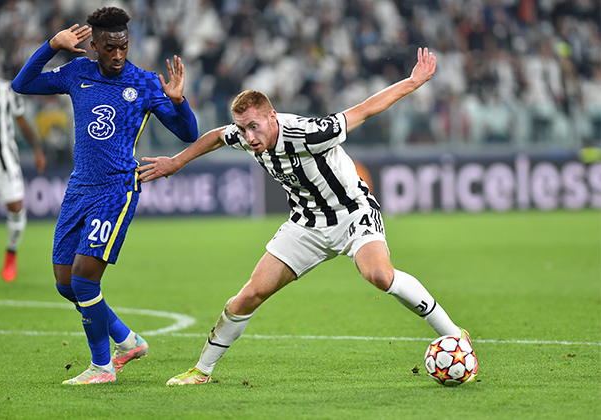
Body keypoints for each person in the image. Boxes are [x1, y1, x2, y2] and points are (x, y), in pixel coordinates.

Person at [138, 47, 478, 386]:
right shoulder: (245, 136)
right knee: (250, 294)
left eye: (254, 127)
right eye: (243, 130)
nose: (249, 137)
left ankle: (454, 335)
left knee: (378, 275)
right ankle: (202, 371)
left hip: (351, 213)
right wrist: (177, 161)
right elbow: (216, 136)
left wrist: (412, 81)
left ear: (273, 117)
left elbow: (363, 111)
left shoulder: (308, 133)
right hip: (306, 224)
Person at [11, 7, 199, 385]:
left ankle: (102, 367)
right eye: (109, 47)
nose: (117, 55)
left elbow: (188, 134)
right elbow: (22, 83)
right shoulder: (77, 72)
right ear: (93, 45)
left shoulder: (145, 83)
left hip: (117, 189)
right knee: (65, 283)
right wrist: (51, 46)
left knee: (83, 282)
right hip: (80, 187)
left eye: (123, 47)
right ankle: (127, 341)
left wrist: (179, 102)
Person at [0, 46, 47, 285]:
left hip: (5, 161)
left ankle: (11, 252)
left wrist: (38, 150)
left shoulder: (5, 90)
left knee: (16, 207)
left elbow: (23, 123)